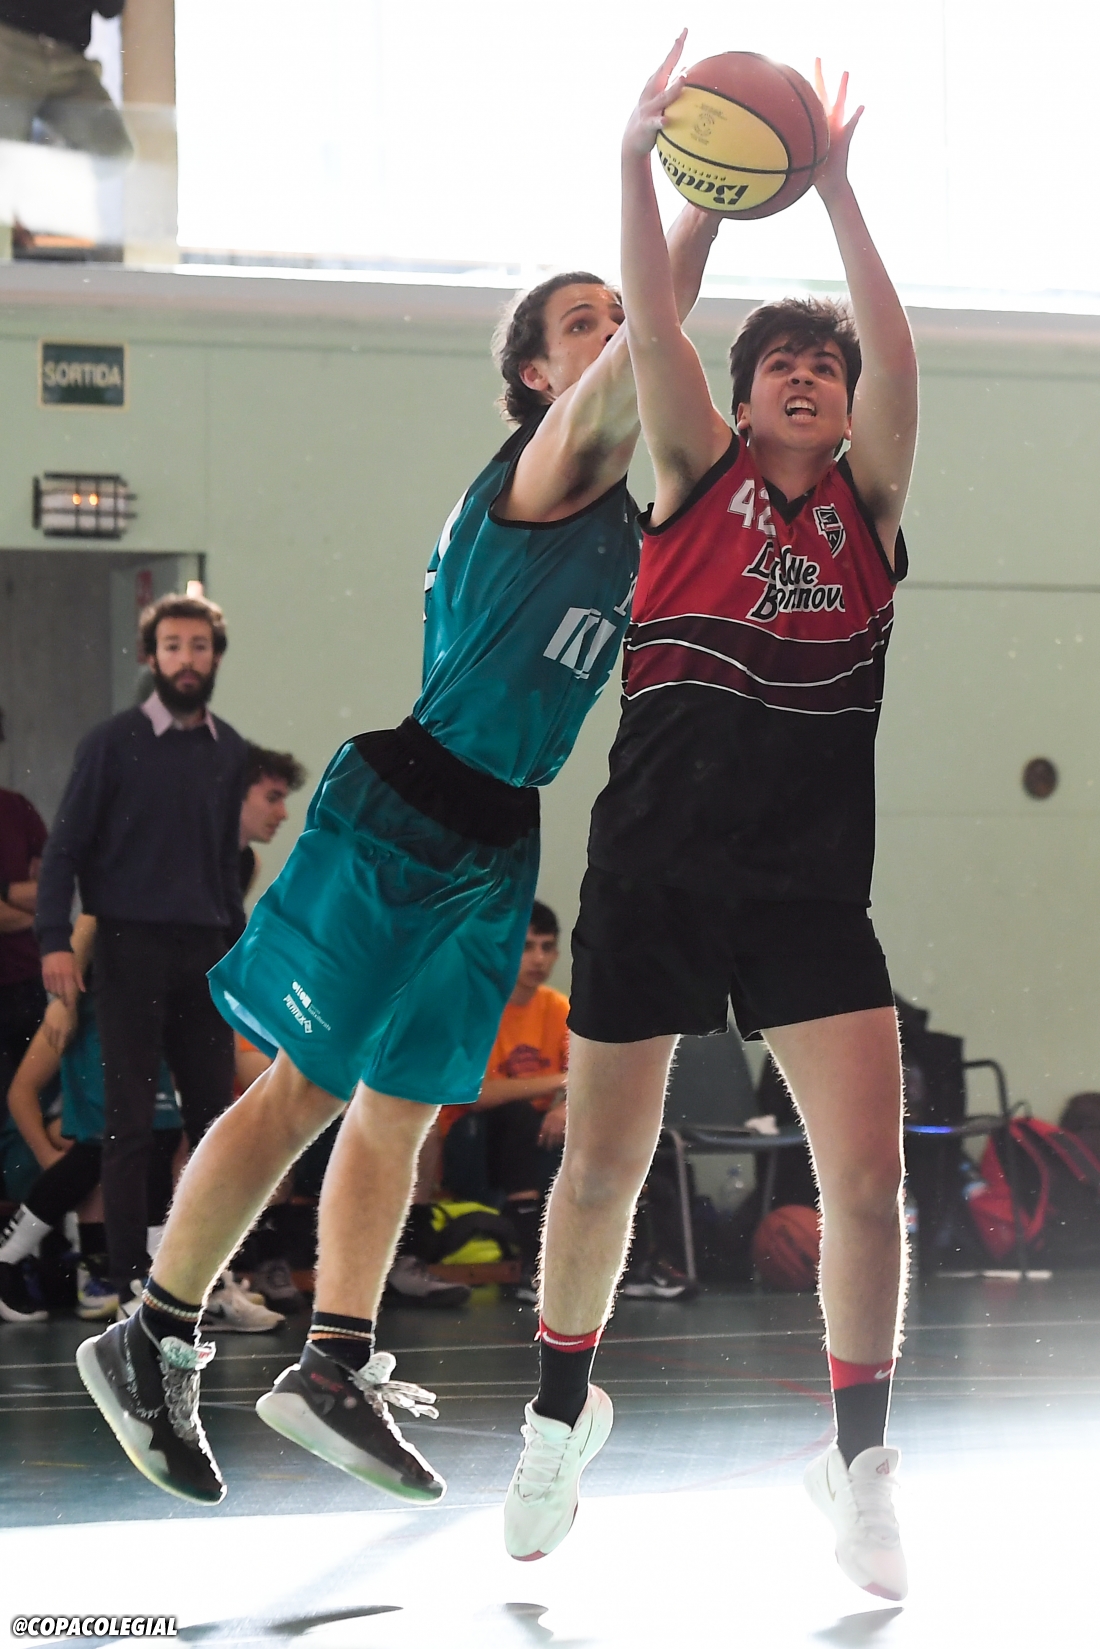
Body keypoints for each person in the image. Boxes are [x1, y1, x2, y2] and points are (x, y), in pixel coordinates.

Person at [75, 201, 727, 1509]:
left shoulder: (631, 517)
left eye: (617, 311)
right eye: (584, 322)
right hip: (409, 807)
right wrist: (700, 195)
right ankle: (150, 1334)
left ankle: (334, 1362)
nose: (615, 330)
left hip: (498, 835)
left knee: (401, 1107)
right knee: (304, 1092)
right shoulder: (544, 467)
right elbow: (653, 344)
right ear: (535, 376)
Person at [504, 43, 918, 1605]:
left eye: (824, 367)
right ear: (739, 400)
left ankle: (860, 1463)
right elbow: (654, 323)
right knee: (602, 1169)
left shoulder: (870, 511)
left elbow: (895, 342)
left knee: (867, 1183)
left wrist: (844, 191)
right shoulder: (689, 474)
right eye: (780, 364)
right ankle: (559, 1418)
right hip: (653, 870)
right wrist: (639, 165)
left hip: (808, 890)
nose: (807, 377)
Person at [35, 593, 248, 1312]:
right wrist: (54, 941)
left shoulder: (230, 749)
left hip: (205, 949)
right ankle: (131, 1283)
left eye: (199, 646)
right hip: (128, 945)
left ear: (216, 657)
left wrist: (239, 954)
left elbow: (226, 867)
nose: (187, 659)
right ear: (150, 657)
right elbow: (64, 849)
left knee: (215, 1121)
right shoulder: (112, 741)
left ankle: (210, 1277)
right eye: (173, 646)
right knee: (128, 1123)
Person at [0, 703, 47, 1173]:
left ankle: (25, 1197)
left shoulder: (16, 808)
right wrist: (23, 898)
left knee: (35, 1102)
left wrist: (3, 894)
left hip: (28, 981)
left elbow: (52, 890)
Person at [0, 2, 132, 161]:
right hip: (10, 45)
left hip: (69, 61)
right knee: (7, 152)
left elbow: (110, 10)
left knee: (115, 151)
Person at [238, 745, 307, 901]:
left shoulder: (249, 864)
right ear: (235, 792)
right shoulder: (187, 854)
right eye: (272, 798)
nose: (283, 814)